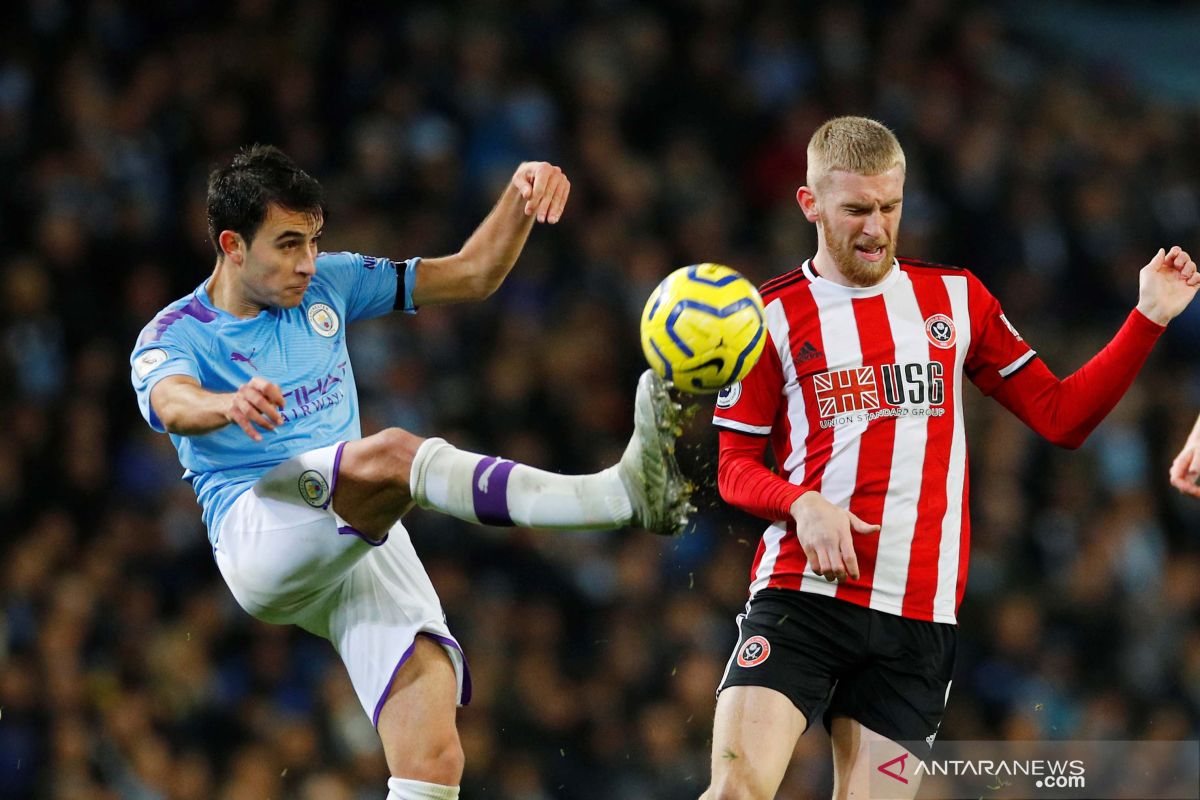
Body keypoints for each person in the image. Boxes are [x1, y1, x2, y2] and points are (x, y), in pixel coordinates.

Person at [129, 145, 691, 800]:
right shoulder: (176, 332)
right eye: (286, 245)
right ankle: (615, 495)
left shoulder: (329, 284)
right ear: (232, 244)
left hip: (355, 530)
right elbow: (171, 401)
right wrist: (225, 403)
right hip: (260, 529)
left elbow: (473, 273)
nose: (306, 262)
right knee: (393, 454)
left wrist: (519, 197)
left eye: (313, 241)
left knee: (432, 756)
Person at [705, 116, 1198, 800]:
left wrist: (1148, 316)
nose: (876, 228)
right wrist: (802, 503)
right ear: (810, 204)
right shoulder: (767, 317)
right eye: (855, 210)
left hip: (919, 622)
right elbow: (732, 466)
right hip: (803, 598)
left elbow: (1061, 418)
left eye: (889, 207)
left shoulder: (955, 300)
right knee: (736, 790)